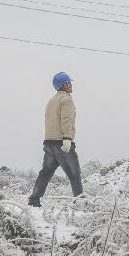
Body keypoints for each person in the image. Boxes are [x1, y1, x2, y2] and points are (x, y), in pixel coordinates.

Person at [27, 72, 83, 207]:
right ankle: (81, 202)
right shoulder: (67, 100)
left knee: (45, 173)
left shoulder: (51, 101)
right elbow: (67, 120)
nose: (71, 85)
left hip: (49, 143)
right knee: (74, 173)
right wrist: (68, 138)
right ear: (65, 84)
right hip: (62, 143)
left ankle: (34, 200)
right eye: (70, 83)